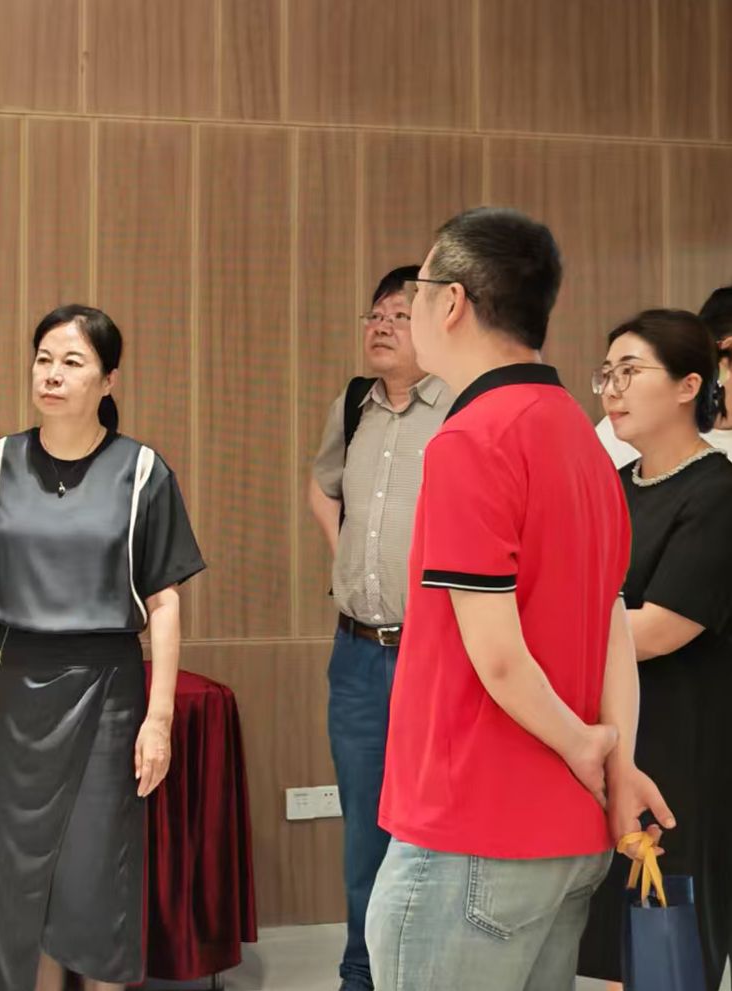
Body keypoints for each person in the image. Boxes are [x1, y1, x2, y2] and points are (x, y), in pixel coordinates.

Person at [364, 208, 671, 991]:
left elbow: (497, 656)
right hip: (565, 836)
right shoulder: (582, 440)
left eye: (418, 289)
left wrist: (583, 744)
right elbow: (610, 627)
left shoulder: (471, 440)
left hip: (473, 831)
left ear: (452, 301)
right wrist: (615, 760)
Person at [0, 305, 205, 991]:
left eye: (72, 362)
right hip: (16, 683)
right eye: (43, 358)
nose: (51, 373)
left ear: (108, 380)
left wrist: (159, 718)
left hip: (109, 688)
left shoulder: (142, 472)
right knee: (21, 873)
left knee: (100, 871)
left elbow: (164, 602)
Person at [578, 309, 732, 990]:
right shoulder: (613, 488)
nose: (612, 388)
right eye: (606, 373)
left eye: (630, 371)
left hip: (681, 749)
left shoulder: (717, 492)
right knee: (619, 950)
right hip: (618, 739)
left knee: (666, 942)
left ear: (688, 385)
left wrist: (540, 648)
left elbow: (661, 628)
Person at [308, 264, 452, 991]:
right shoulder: (353, 405)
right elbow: (322, 485)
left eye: (399, 315)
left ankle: (426, 972)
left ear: (434, 324)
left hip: (437, 653)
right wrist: (349, 561)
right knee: (365, 824)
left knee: (434, 825)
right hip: (358, 653)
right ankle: (361, 974)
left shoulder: (462, 408)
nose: (382, 327)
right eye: (374, 316)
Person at [595, 287, 732, 466]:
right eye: (608, 373)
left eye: (629, 370)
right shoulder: (620, 429)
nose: (609, 391)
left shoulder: (716, 473)